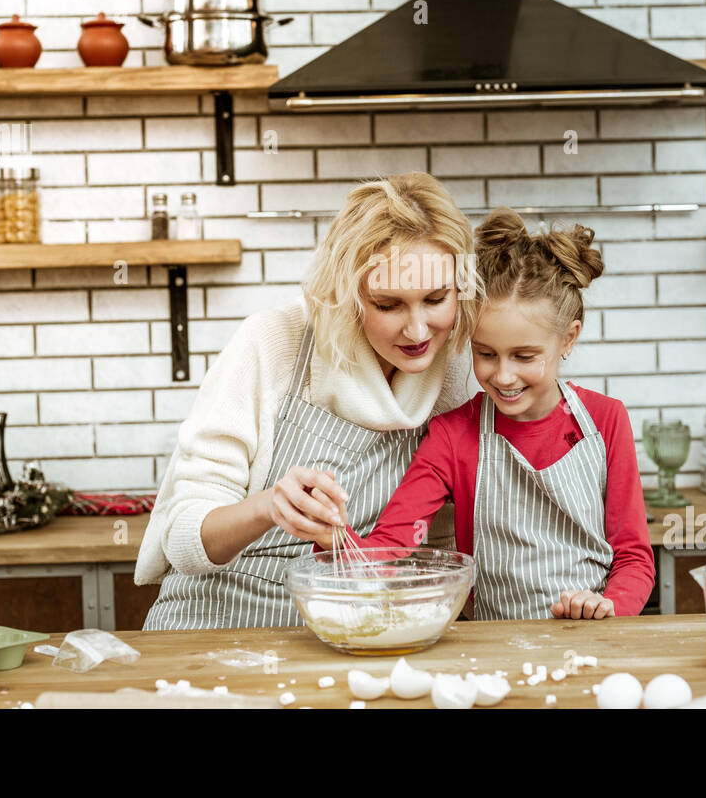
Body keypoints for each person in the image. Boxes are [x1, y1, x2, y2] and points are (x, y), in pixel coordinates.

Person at [135, 172, 481, 629]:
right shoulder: (277, 341)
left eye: (435, 299)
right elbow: (183, 539)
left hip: (353, 623)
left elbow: (444, 539)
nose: (417, 331)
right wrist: (267, 507)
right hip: (219, 615)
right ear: (349, 293)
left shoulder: (455, 369)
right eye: (388, 305)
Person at [311, 208, 655, 619]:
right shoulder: (453, 435)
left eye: (525, 356)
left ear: (568, 339)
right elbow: (387, 555)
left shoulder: (605, 420)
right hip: (494, 651)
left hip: (594, 639)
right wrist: (334, 536)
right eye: (485, 354)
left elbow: (634, 557)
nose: (504, 375)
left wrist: (608, 606)